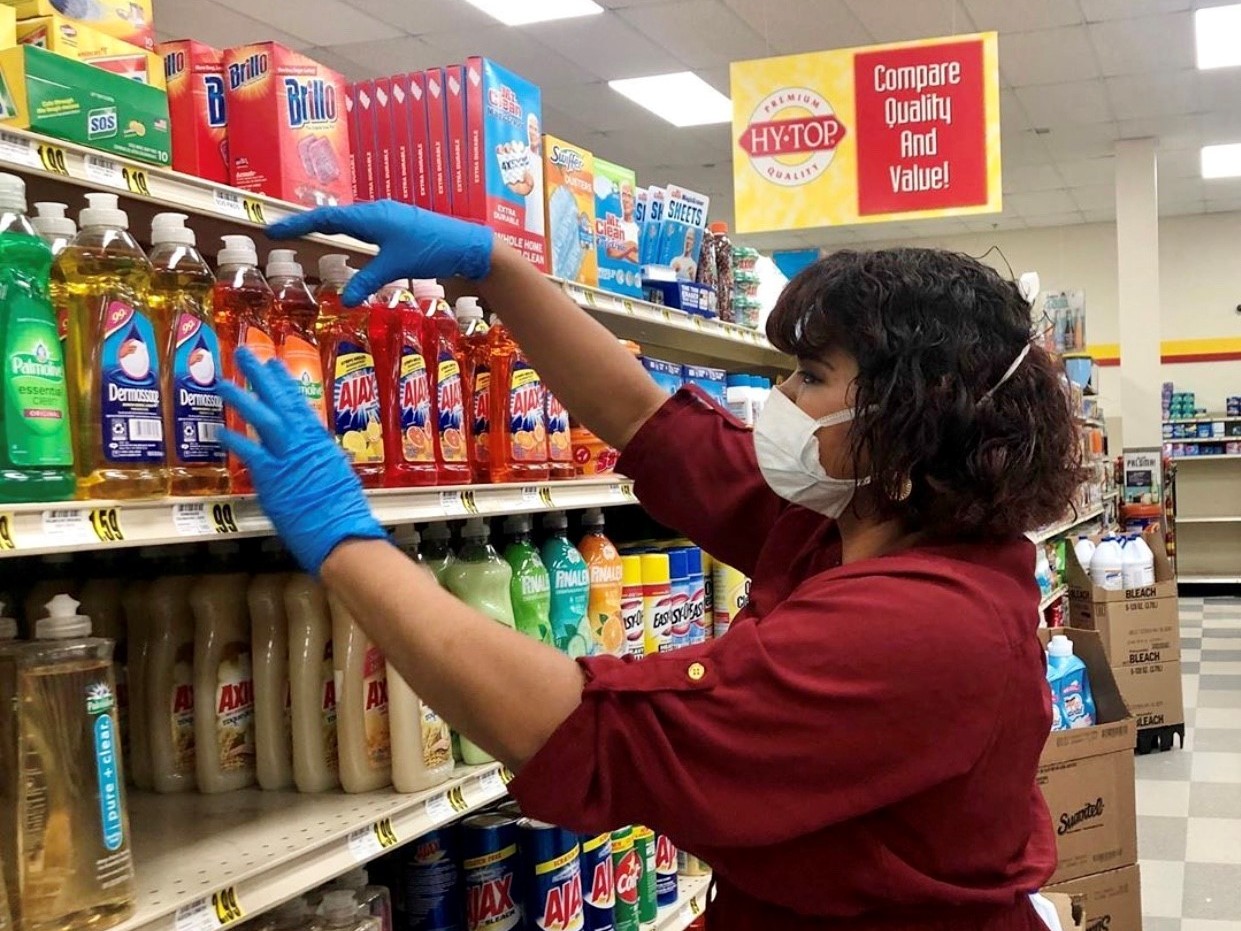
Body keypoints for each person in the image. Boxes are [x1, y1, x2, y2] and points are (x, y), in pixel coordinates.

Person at [220, 201, 1083, 931]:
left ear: (911, 418)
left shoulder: (923, 626)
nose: (780, 397)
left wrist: (345, 540)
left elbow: (583, 728)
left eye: (811, 376)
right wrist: (495, 268)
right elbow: (644, 420)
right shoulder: (855, 519)